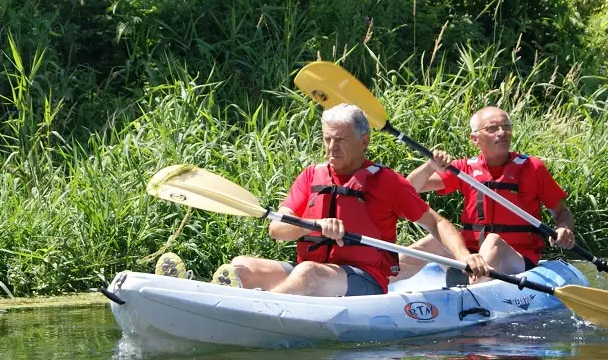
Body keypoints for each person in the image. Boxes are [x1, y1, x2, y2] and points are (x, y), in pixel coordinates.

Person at [156, 104, 487, 296]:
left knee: (310, 273)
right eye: (328, 140)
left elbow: (436, 222)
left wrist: (465, 257)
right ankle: (195, 294)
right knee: (243, 265)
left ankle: (249, 309)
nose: (332, 148)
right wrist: (312, 226)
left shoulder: (386, 181)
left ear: (364, 140)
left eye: (340, 140)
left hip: (363, 280)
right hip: (311, 270)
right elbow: (277, 230)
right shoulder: (311, 177)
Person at [400, 105, 575, 279]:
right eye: (492, 128)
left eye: (506, 127)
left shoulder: (533, 167)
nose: (502, 132)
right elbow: (407, 189)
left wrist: (564, 228)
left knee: (493, 241)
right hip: (471, 253)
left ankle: (470, 291)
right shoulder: (464, 169)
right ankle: (380, 282)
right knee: (430, 243)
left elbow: (562, 212)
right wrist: (430, 166)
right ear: (475, 139)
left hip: (517, 257)